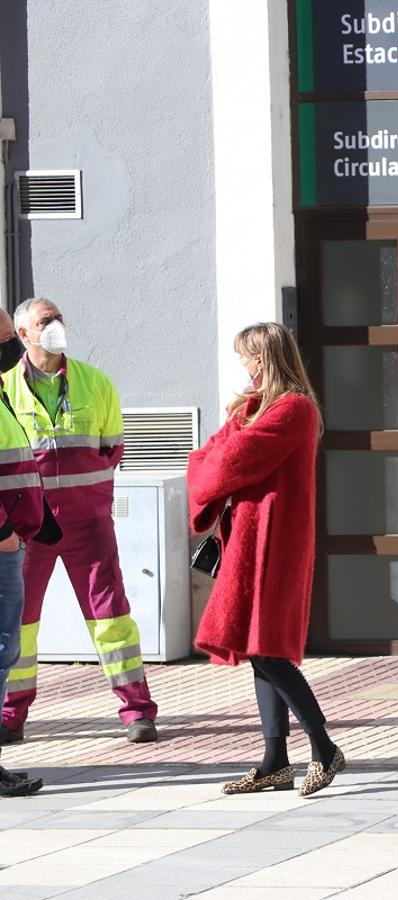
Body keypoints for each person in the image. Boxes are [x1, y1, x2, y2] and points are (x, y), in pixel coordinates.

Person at [187, 322, 343, 797]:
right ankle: (275, 760)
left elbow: (227, 462)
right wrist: (239, 418)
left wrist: (236, 424)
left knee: (269, 649)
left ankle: (324, 748)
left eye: (247, 357)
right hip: (250, 539)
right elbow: (209, 459)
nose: (243, 366)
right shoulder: (262, 408)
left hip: (276, 541)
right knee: (257, 650)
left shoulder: (293, 409)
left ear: (265, 359)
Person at [0, 297, 158, 745]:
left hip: (88, 525)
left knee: (111, 617)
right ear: (25, 335)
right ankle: (11, 717)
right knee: (21, 622)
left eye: (59, 318)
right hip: (30, 528)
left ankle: (137, 711)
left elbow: (112, 450)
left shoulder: (96, 383)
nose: (56, 326)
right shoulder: (4, 386)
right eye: (45, 321)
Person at [0, 310, 60, 795]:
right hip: (1, 546)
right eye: (4, 340)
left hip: (13, 542)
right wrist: (4, 534)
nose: (10, 352)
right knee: (2, 651)